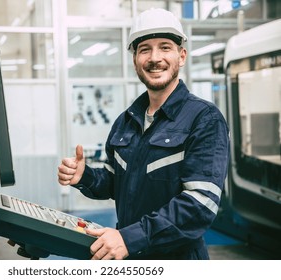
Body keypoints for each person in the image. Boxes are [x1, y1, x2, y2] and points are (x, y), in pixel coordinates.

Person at [57, 7, 230, 260]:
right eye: (145, 49)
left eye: (165, 47)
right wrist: (85, 176)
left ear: (181, 56)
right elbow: (120, 183)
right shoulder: (126, 121)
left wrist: (130, 238)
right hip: (128, 257)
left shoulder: (204, 119)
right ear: (135, 59)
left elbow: (200, 204)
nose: (154, 58)